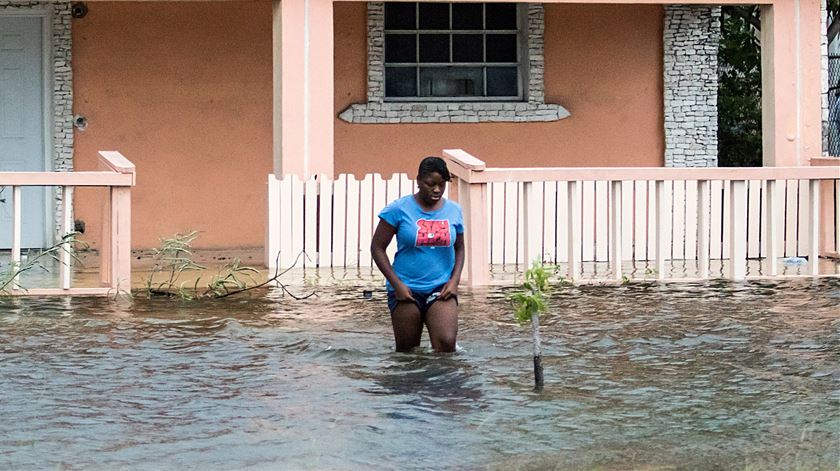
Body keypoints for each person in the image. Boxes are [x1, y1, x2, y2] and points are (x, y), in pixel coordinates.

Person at [371, 156, 465, 353]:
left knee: (447, 344)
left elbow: (460, 248)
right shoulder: (398, 209)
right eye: (431, 184)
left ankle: (443, 384)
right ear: (419, 181)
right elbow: (377, 248)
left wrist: (455, 281)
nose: (437, 190)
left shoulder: (454, 211)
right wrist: (397, 285)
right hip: (406, 289)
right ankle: (412, 384)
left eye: (442, 184)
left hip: (441, 288)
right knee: (408, 352)